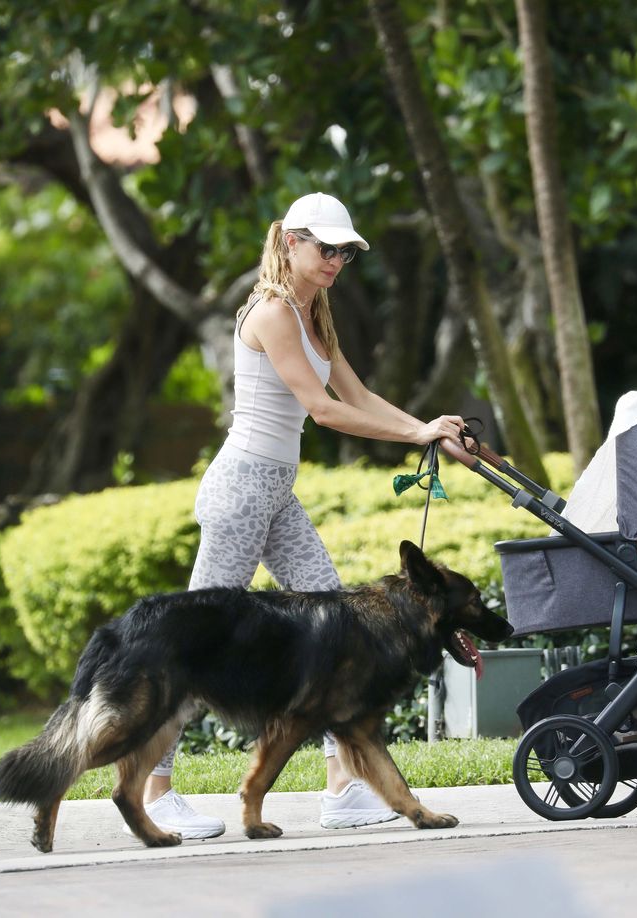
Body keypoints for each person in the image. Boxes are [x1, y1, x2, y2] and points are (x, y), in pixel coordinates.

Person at [137, 192, 466, 839]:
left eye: (345, 250)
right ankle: (155, 791)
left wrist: (427, 431)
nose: (337, 259)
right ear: (291, 242)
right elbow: (324, 409)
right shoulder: (273, 312)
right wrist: (414, 434)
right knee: (195, 645)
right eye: (326, 247)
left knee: (335, 628)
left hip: (275, 492)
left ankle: (343, 787)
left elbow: (360, 394)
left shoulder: (316, 313)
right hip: (240, 493)